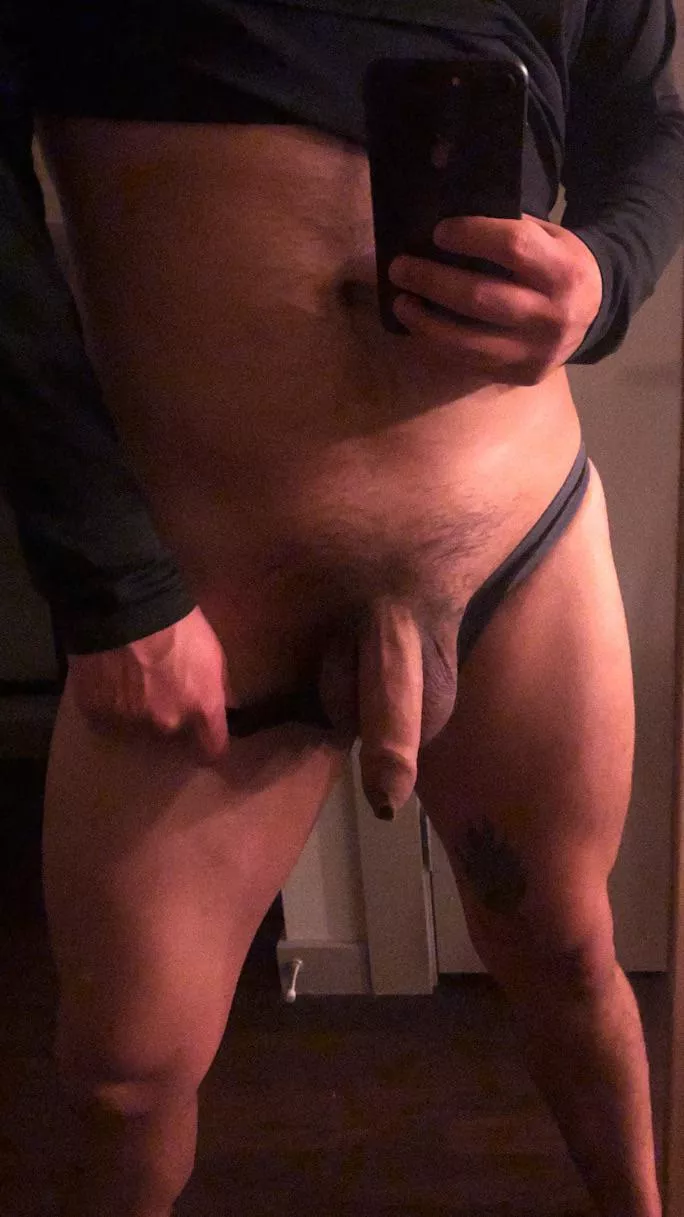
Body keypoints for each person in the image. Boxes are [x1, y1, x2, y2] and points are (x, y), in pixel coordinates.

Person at [1, 0, 683, 1213]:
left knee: (571, 953)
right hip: (199, 596)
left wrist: (605, 276)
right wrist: (108, 584)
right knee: (121, 1073)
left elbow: (654, 127)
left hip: (512, 544)